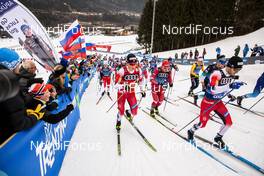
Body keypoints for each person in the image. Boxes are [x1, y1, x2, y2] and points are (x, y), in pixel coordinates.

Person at [187, 56, 244, 148]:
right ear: (230, 66)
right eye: (236, 69)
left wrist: (230, 92)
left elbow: (225, 88)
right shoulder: (217, 74)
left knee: (229, 123)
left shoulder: (231, 75)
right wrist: (231, 86)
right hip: (207, 103)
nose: (236, 72)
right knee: (202, 124)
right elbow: (213, 89)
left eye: (238, 70)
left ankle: (218, 137)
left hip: (217, 102)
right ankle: (191, 130)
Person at [0, 48, 39, 144]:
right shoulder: (7, 84)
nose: (20, 66)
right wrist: (35, 116)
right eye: (18, 63)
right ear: (11, 65)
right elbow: (18, 124)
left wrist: (24, 112)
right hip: (9, 144)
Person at [115, 54, 145, 131]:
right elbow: (115, 85)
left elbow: (141, 81)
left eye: (135, 64)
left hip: (131, 93)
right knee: (121, 112)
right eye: (131, 64)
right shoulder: (122, 71)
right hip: (122, 93)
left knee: (134, 112)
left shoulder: (138, 70)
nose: (133, 66)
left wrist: (142, 90)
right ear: (127, 63)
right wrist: (123, 86)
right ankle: (118, 120)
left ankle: (128, 111)